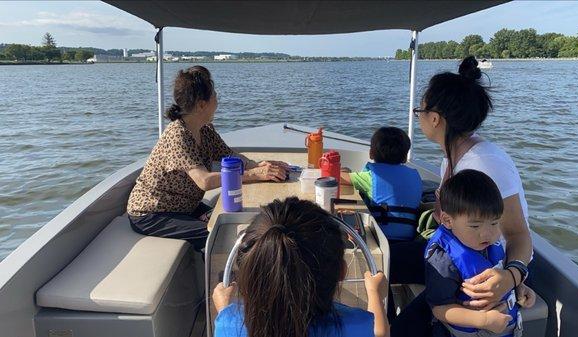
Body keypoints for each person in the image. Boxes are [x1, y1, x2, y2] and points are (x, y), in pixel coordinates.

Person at [391, 56, 534, 336]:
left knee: (404, 329)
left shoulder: (485, 163)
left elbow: (519, 234)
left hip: (483, 270)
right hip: (454, 254)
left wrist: (511, 278)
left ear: (434, 118)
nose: (418, 117)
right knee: (384, 261)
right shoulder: (452, 158)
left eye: (418, 110)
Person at [127, 65, 288, 251]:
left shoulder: (205, 129)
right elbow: (204, 181)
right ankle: (220, 278)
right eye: (215, 97)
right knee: (224, 235)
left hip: (185, 206)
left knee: (244, 226)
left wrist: (259, 165)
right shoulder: (177, 135)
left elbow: (229, 155)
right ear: (202, 104)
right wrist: (256, 174)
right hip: (152, 214)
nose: (217, 102)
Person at [211, 197, 390, 337]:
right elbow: (380, 333)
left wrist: (224, 308)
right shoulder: (357, 326)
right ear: (342, 271)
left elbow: (228, 325)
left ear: (248, 276)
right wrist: (375, 294)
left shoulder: (228, 325)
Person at [426, 169, 535, 337]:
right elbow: (439, 309)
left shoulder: (488, 244)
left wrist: (518, 287)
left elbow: (499, 270)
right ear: (448, 220)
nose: (487, 234)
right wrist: (483, 320)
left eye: (494, 223)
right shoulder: (443, 257)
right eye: (475, 226)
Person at [340, 126, 422, 241]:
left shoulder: (371, 177)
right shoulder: (415, 176)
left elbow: (337, 178)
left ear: (371, 154)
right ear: (404, 158)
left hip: (380, 240)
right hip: (408, 242)